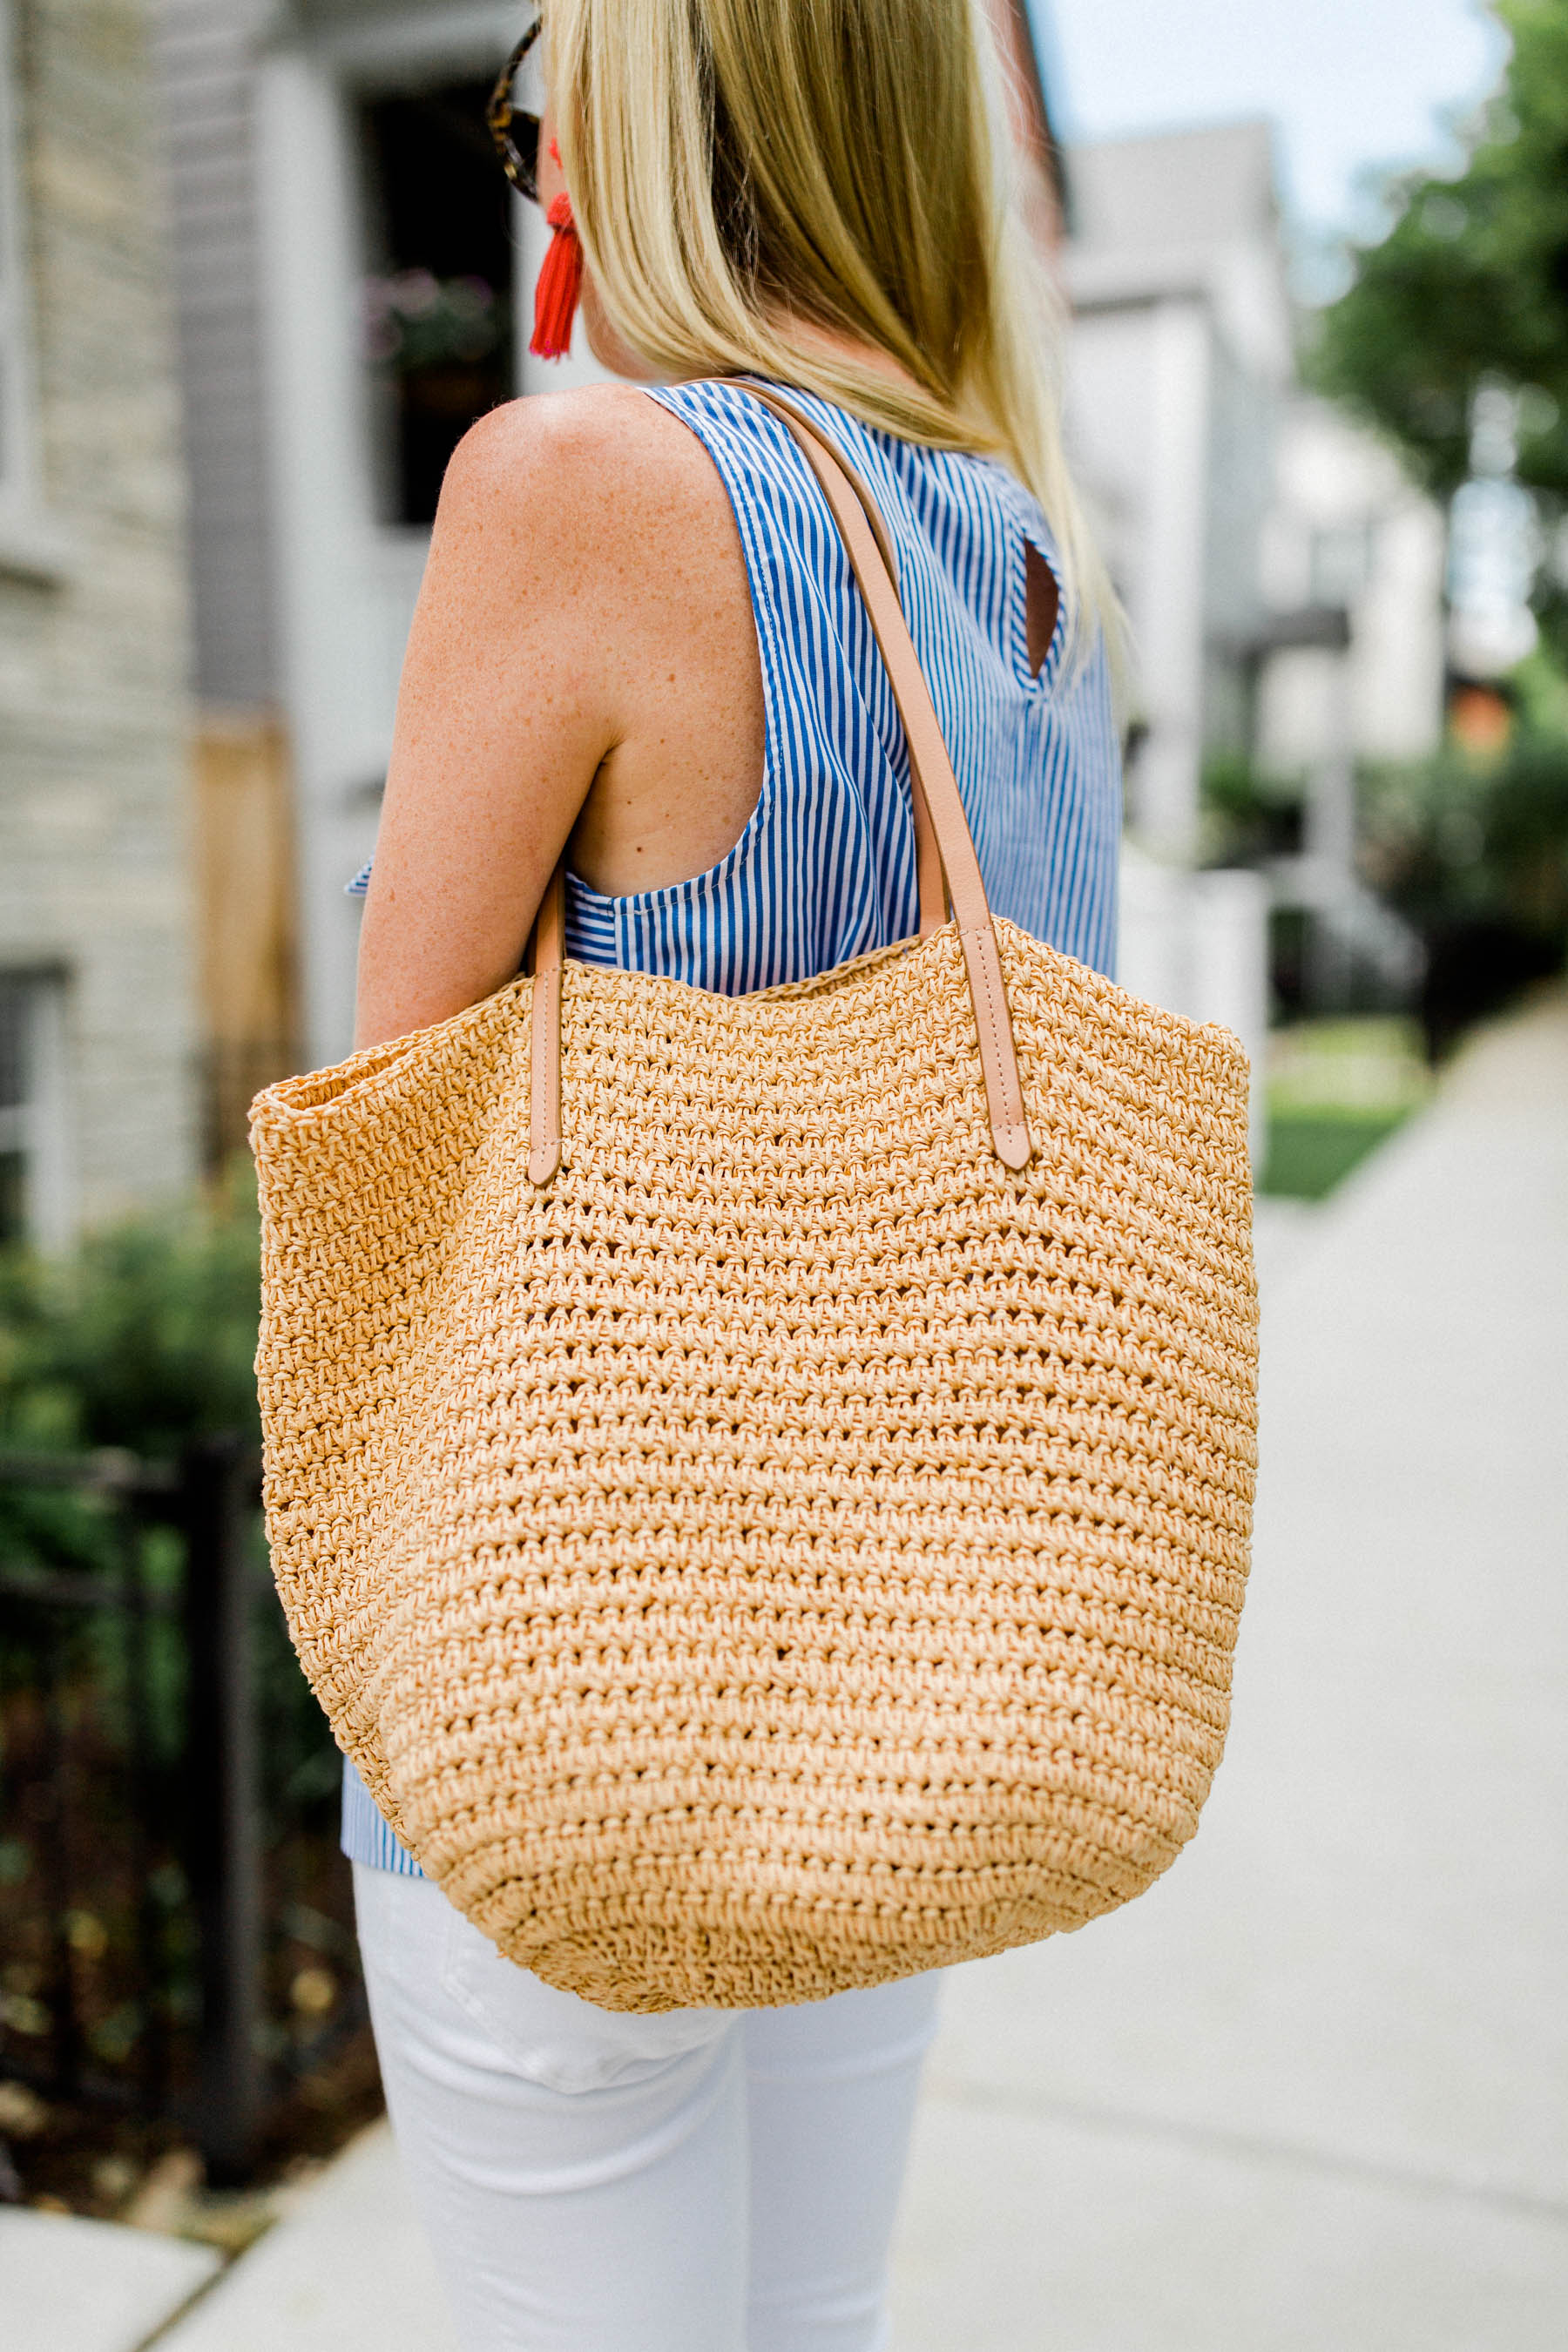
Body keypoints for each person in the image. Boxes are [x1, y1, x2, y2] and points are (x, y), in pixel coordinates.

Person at [342, 3, 1121, 2345]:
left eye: (537, 88)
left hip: (590, 1686)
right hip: (910, 1689)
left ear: (659, 107)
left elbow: (396, 1109)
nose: (531, 142)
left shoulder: (578, 490)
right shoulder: (1030, 565)